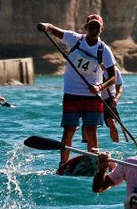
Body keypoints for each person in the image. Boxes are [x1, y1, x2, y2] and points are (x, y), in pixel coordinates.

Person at [37, 15, 118, 167]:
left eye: (97, 27)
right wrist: (45, 26)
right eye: (91, 26)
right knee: (69, 130)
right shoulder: (75, 39)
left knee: (91, 130)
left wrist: (99, 87)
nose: (94, 29)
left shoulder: (104, 50)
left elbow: (113, 78)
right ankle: (63, 164)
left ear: (101, 29)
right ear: (86, 28)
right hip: (72, 94)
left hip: (92, 96)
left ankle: (92, 162)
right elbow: (54, 30)